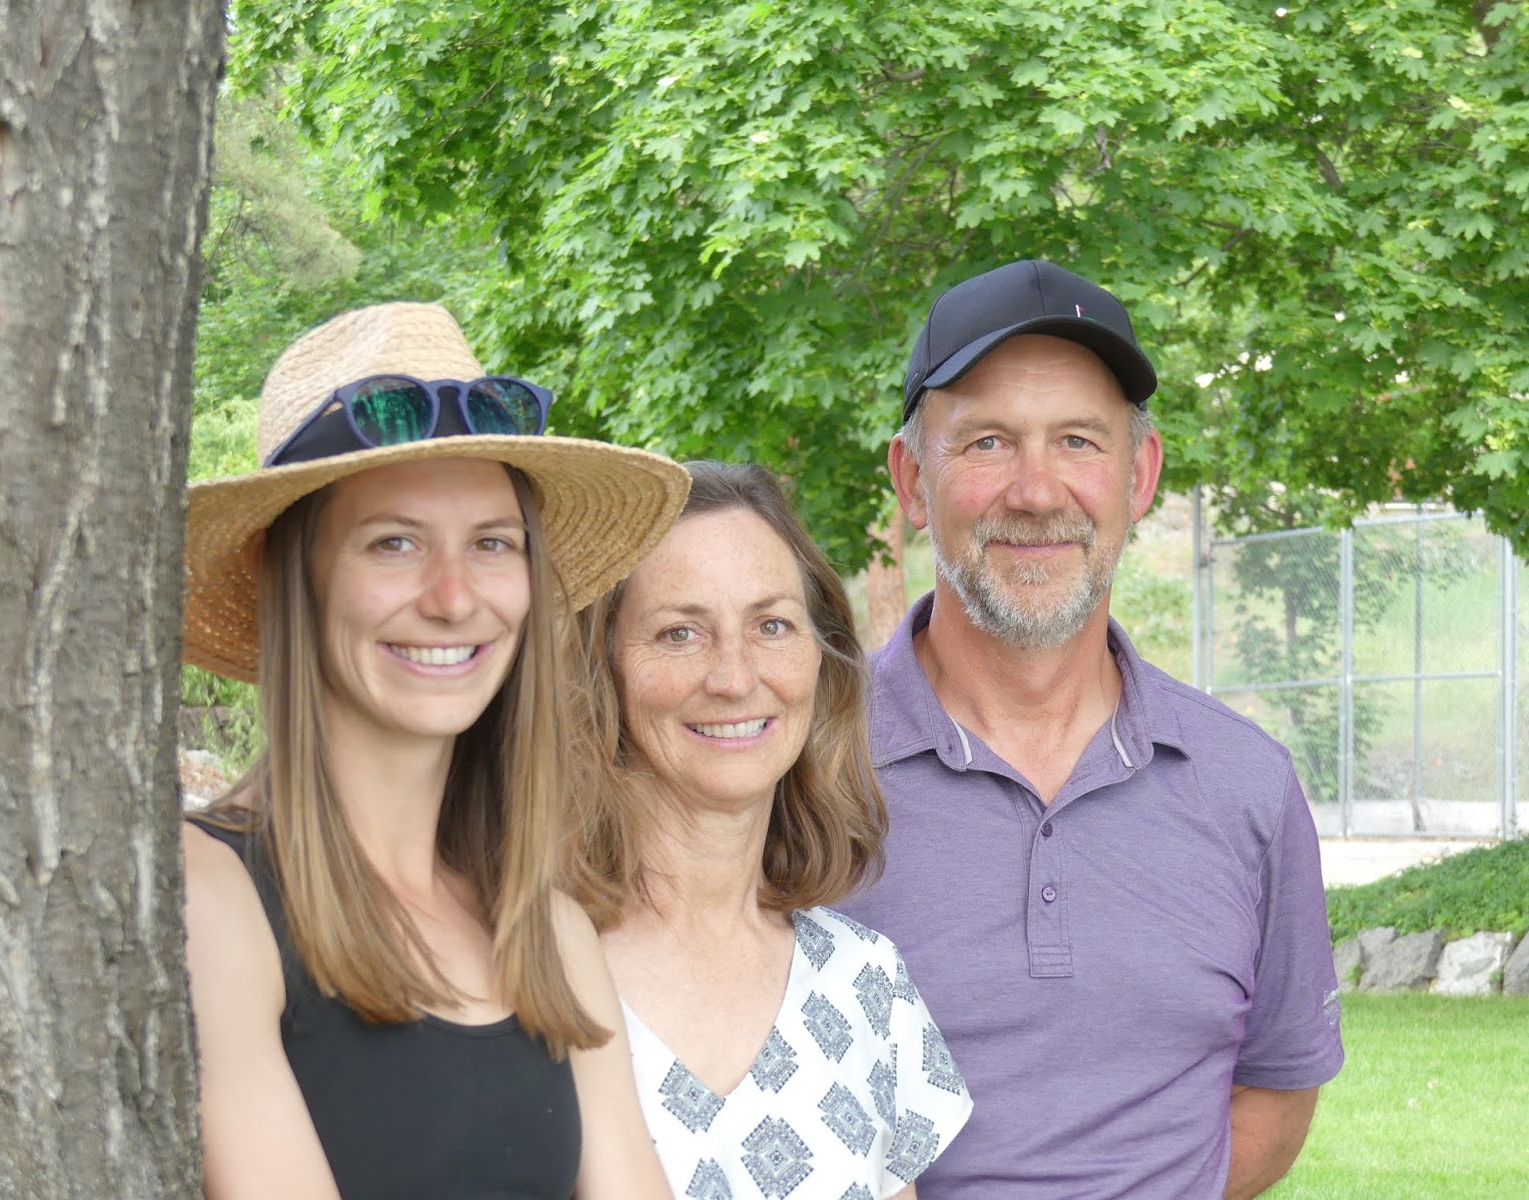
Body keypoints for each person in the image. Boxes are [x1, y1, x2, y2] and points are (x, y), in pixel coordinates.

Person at [838, 260, 1345, 1199]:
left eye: (1078, 441)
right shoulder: (799, 768)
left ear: (1138, 475)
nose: (1037, 491)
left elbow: (1275, 1089)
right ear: (913, 482)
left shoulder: (1245, 785)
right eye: (987, 443)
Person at [179, 301, 688, 1200]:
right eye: (395, 543)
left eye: (492, 544)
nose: (454, 599)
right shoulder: (209, 893)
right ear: (283, 572)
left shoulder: (548, 932)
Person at [569, 461, 972, 1199]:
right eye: (679, 632)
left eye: (773, 626)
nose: (733, 675)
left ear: (820, 660)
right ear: (603, 669)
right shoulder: (524, 968)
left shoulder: (866, 985)